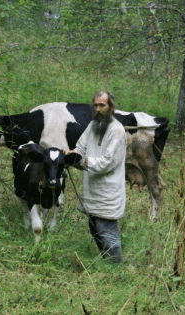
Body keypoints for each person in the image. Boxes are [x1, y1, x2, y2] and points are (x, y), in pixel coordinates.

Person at [64, 91, 126, 263]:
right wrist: (72, 155)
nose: (98, 109)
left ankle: (115, 268)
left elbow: (107, 162)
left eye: (102, 105)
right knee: (95, 229)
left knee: (107, 232)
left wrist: (81, 160)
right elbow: (80, 148)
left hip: (108, 193)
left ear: (111, 107)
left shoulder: (117, 131)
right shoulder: (93, 126)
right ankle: (107, 263)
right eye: (96, 105)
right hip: (92, 190)